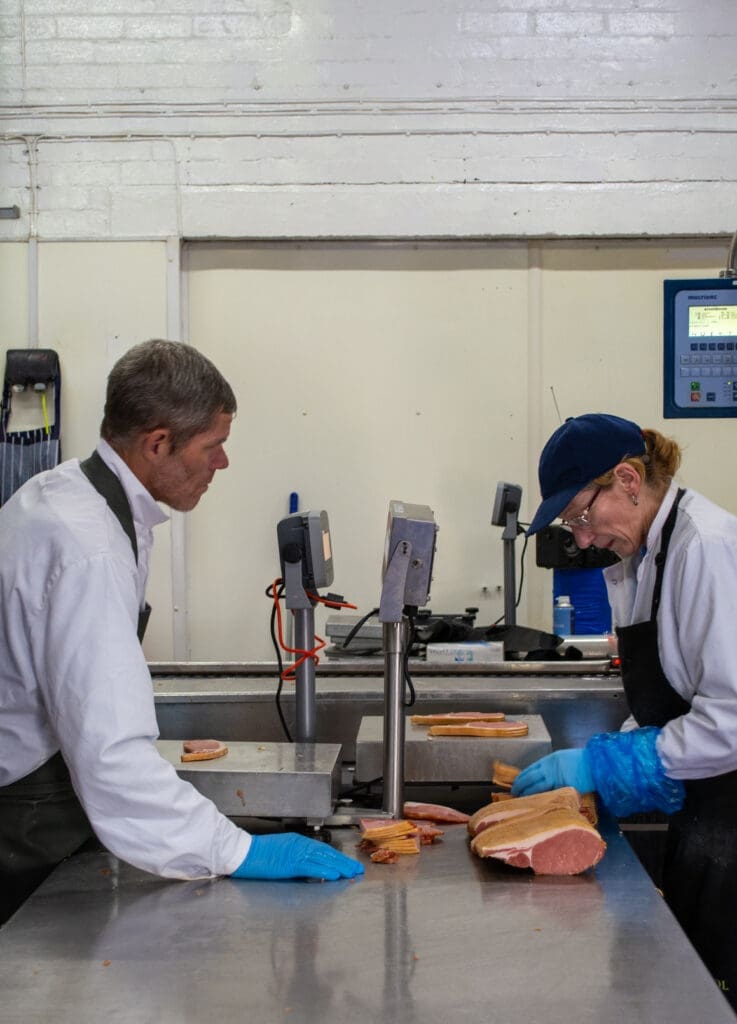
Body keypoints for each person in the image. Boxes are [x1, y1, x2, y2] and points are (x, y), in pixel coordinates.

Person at [0, 339, 362, 924]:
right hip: (22, 822)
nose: (222, 463)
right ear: (158, 443)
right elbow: (110, 754)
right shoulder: (88, 547)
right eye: (213, 446)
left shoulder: (76, 495)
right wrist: (237, 849)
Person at [513, 412, 737, 1008]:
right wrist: (609, 755)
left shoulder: (706, 549)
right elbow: (665, 699)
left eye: (583, 517)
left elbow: (731, 722)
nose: (582, 539)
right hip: (707, 818)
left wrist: (605, 767)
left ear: (629, 481)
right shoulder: (639, 559)